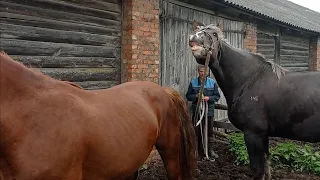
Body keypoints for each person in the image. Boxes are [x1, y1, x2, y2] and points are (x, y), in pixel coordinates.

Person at [186, 64, 221, 160]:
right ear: (198, 72)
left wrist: (208, 98)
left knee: (209, 130)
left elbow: (217, 96)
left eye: (204, 71)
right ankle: (197, 150)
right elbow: (188, 96)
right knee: (196, 131)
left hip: (209, 111)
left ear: (207, 72)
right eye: (201, 71)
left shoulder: (212, 83)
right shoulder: (193, 83)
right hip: (197, 111)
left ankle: (210, 150)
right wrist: (196, 96)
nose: (203, 73)